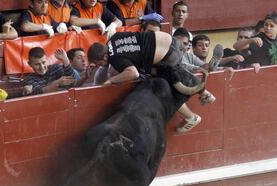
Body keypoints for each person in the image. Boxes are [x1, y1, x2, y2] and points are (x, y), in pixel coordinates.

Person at [87, 31, 222, 133]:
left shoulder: (115, 59)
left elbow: (132, 73)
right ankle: (204, 92)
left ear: (105, 56)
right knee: (179, 70)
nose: (100, 66)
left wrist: (111, 80)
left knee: (166, 85)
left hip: (168, 54)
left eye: (99, 63)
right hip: (170, 41)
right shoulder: (113, 38)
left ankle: (191, 116)